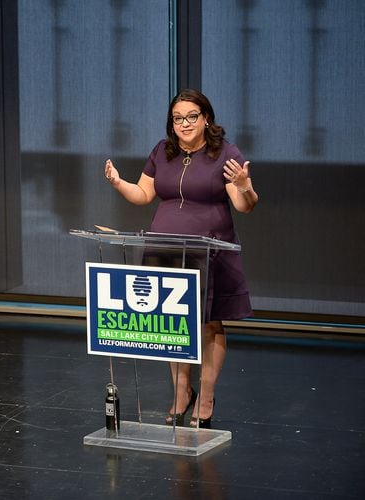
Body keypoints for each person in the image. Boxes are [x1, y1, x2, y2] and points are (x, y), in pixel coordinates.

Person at [103, 88, 258, 428]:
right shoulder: (163, 151)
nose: (184, 123)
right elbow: (144, 195)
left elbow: (244, 205)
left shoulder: (224, 154)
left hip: (210, 252)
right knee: (173, 325)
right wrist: (118, 183)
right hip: (166, 251)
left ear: (206, 119)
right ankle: (181, 392)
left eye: (191, 116)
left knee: (207, 325)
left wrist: (245, 185)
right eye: (178, 118)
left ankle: (205, 396)